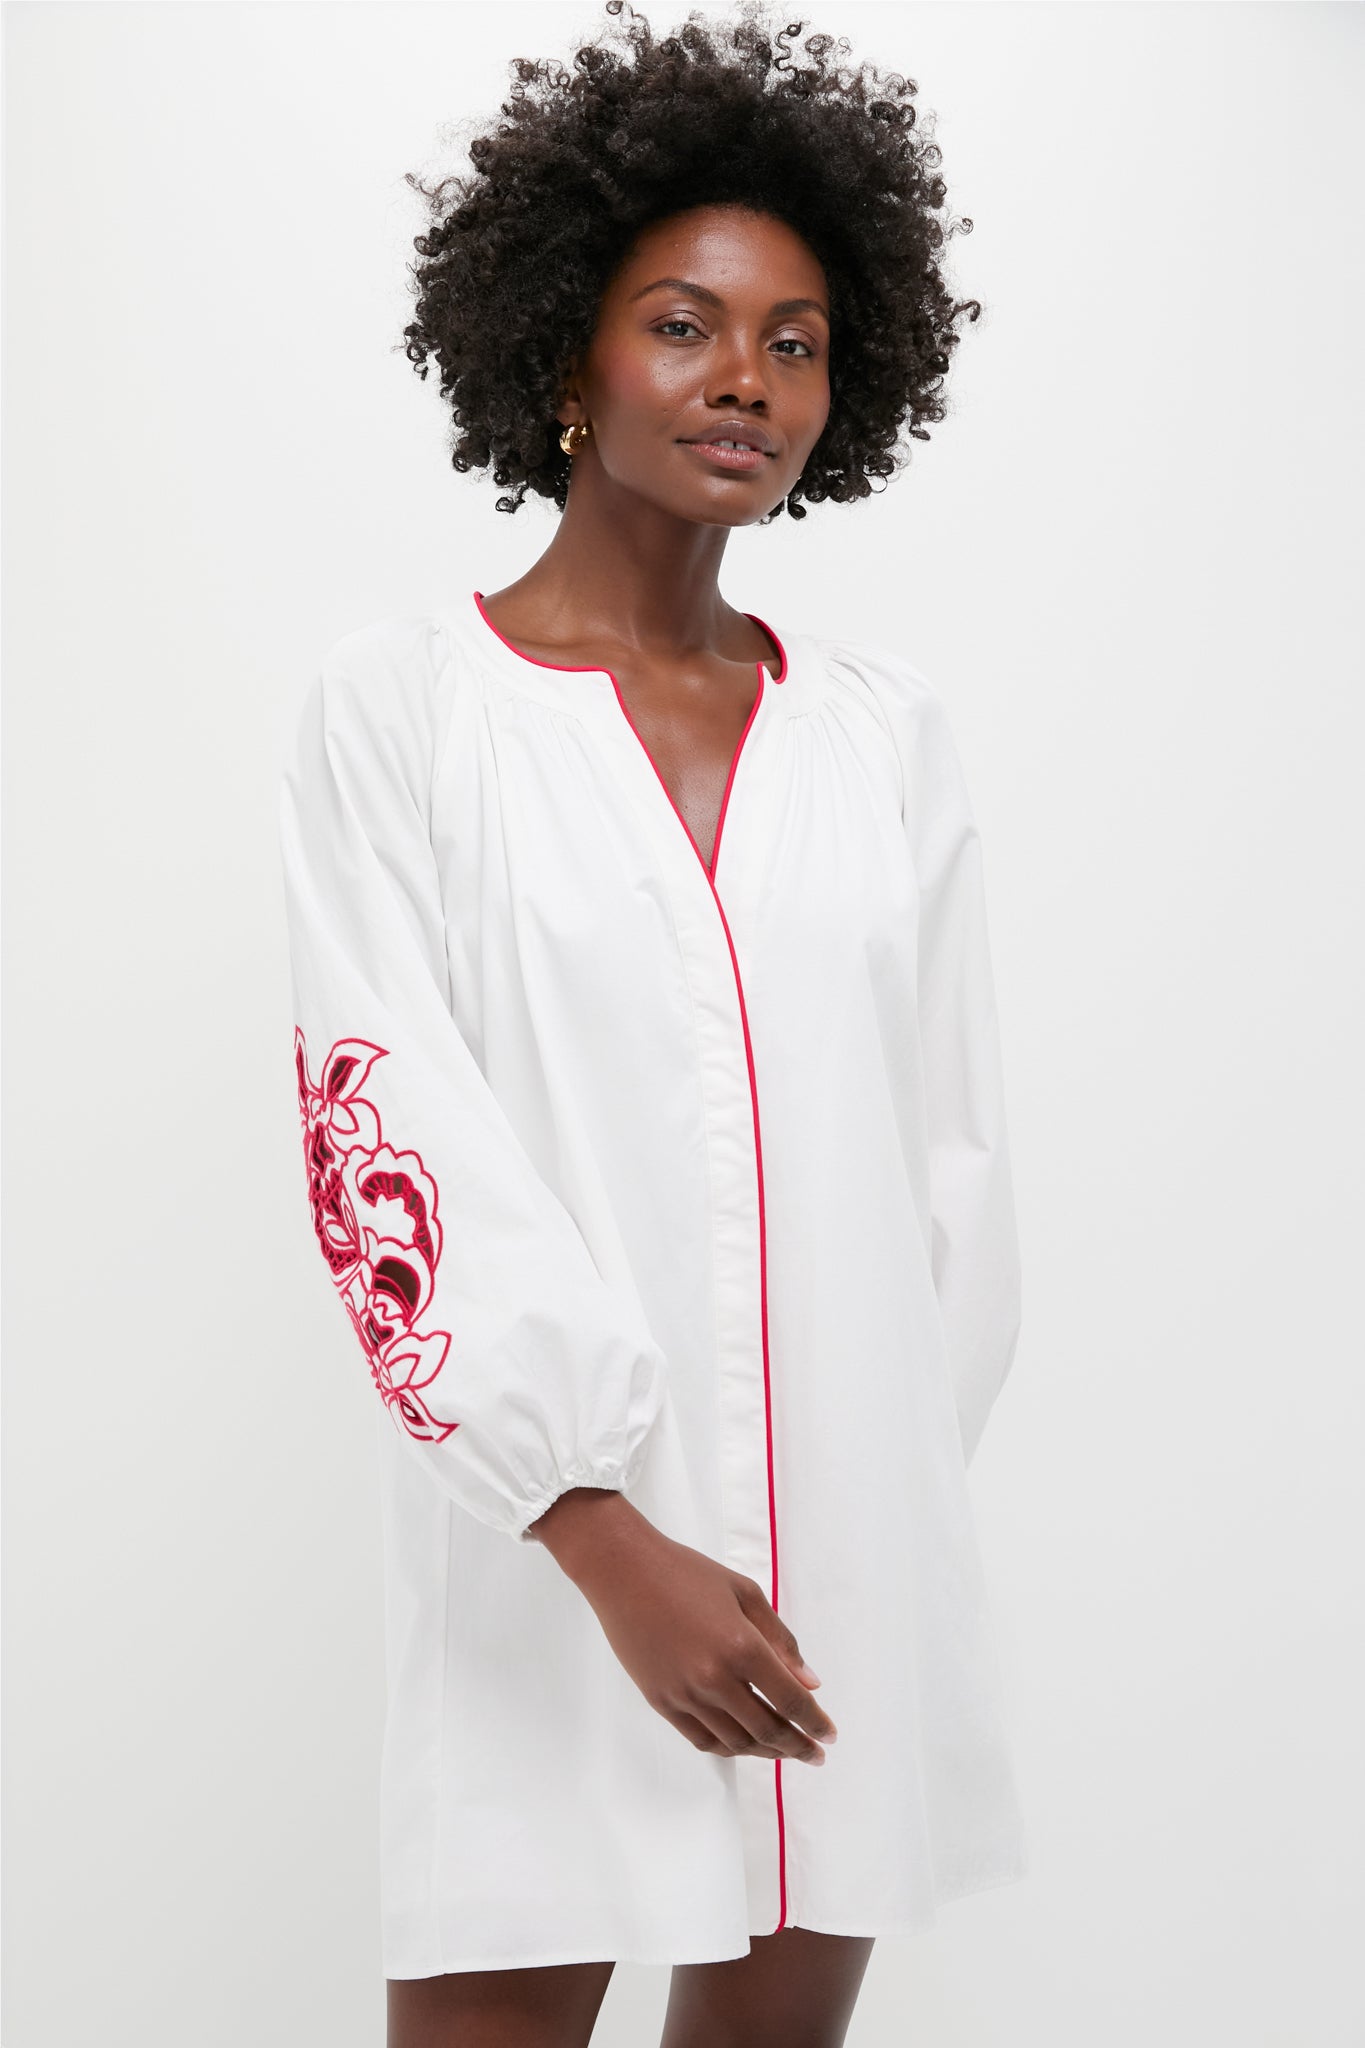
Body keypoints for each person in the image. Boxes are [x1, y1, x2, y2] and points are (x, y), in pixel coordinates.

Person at [278, 3, 1027, 2042]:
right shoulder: (405, 712)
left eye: (795, 341)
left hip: (832, 1570)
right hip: (548, 1562)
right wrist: (601, 1532)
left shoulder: (878, 736)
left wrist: (870, 1500)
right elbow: (379, 1132)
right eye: (682, 325)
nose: (745, 379)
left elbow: (946, 1167)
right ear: (560, 355)